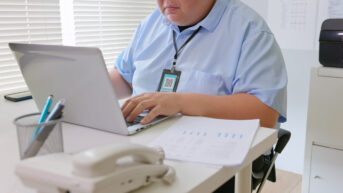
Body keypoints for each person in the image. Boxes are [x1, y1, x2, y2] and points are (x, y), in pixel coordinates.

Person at [109, 0, 287, 192]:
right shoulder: (151, 24)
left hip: (211, 157)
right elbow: (124, 76)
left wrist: (180, 102)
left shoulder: (250, 30)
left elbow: (265, 112)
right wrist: (84, 85)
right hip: (143, 147)